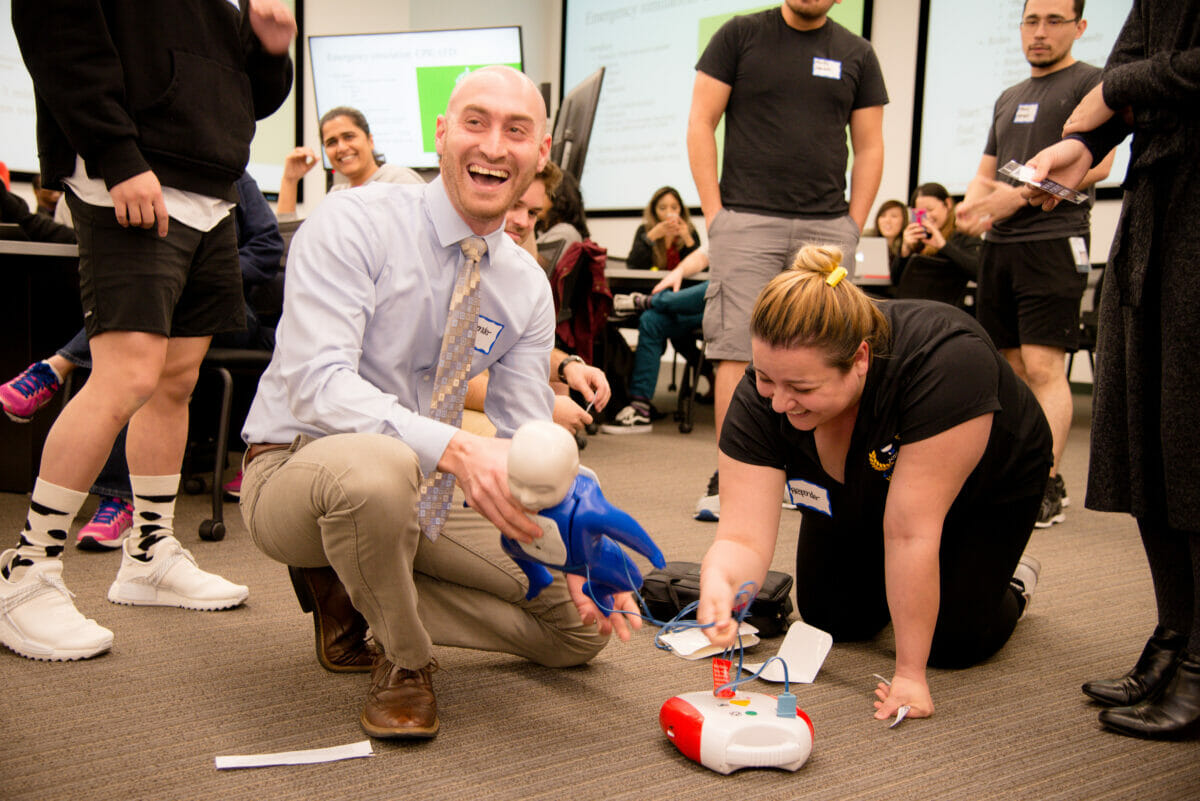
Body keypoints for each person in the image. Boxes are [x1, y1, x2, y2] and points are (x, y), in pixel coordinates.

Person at [238, 66, 642, 741]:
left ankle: (356, 585)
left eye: (516, 131)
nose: (492, 145)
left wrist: (577, 536)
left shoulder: (523, 287)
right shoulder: (352, 221)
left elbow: (525, 445)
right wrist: (456, 448)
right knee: (378, 470)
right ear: (442, 132)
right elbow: (316, 384)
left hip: (420, 492)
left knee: (579, 632)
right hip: (294, 469)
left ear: (541, 154)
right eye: (475, 122)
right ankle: (406, 657)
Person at [0, 0, 294, 662]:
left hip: (212, 188)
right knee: (124, 376)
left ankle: (149, 552)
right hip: (131, 175)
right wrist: (114, 151)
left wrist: (272, 51)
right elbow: (54, 23)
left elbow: (247, 94)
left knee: (174, 382)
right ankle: (27, 572)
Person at [696, 245, 1051, 724]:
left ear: (860, 359)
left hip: (987, 483)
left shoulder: (946, 362)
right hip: (867, 483)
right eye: (765, 379)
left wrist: (909, 675)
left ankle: (1010, 579)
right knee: (831, 618)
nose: (779, 403)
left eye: (801, 389)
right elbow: (741, 535)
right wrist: (719, 580)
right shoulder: (769, 389)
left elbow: (910, 533)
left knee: (953, 641)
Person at [1023, 0, 1200, 740]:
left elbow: (1129, 75)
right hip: (1155, 195)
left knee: (1192, 438)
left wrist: (1120, 85)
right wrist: (1083, 141)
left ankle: (1199, 665)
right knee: (1150, 437)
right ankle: (1174, 639)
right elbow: (1123, 90)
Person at [0, 172, 284, 547]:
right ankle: (114, 510)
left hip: (230, 307)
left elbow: (267, 246)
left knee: (157, 309)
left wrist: (198, 277)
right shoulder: (138, 178)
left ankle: (58, 367)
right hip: (159, 303)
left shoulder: (232, 174)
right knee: (142, 340)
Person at [687, 0, 887, 521]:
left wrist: (852, 223)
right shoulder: (739, 35)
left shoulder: (857, 53)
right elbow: (701, 121)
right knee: (736, 352)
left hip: (827, 226)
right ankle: (735, 471)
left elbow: (869, 147)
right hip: (745, 220)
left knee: (831, 350)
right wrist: (716, 217)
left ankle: (817, 474)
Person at [955, 0, 1114, 529]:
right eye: (1031, 21)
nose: (1040, 32)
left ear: (1080, 27)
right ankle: (1017, 470)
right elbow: (984, 174)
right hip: (1000, 247)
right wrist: (971, 206)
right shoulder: (1008, 96)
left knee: (1044, 368)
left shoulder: (1094, 83)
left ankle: (1046, 481)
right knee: (1009, 369)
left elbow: (1102, 164)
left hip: (1054, 238)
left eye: (1054, 21)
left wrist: (1018, 198)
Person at [464, 160, 610, 439]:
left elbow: (516, 349)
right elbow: (444, 381)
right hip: (418, 408)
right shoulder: (453, 263)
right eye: (514, 206)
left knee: (546, 446)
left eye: (533, 212)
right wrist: (544, 407)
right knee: (528, 447)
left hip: (471, 400)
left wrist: (569, 367)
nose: (523, 222)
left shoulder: (518, 269)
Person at [603, 247, 710, 433]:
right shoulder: (725, 227)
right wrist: (680, 271)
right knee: (651, 320)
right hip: (704, 306)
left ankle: (646, 301)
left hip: (735, 307)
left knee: (714, 286)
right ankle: (640, 408)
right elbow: (705, 255)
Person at [275, 105, 423, 218]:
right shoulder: (336, 196)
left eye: (349, 136)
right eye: (331, 142)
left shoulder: (400, 181)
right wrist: (290, 180)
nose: (342, 147)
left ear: (370, 140)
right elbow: (290, 245)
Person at [892, 183, 981, 311]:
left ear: (947, 204)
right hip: (912, 309)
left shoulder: (963, 235)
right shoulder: (918, 237)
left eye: (930, 209)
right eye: (921, 212)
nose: (927, 216)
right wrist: (905, 250)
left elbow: (978, 271)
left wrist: (943, 246)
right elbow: (896, 281)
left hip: (949, 311)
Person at [625, 186, 700, 271]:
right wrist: (650, 237)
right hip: (652, 283)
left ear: (681, 209)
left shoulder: (690, 231)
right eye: (662, 208)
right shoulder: (644, 230)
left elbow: (702, 269)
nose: (669, 213)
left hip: (685, 283)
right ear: (654, 211)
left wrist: (687, 238)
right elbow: (632, 265)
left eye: (674, 207)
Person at [537, 169, 589, 253]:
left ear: (557, 199)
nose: (535, 200)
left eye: (542, 194)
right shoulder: (545, 230)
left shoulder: (565, 233)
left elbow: (531, 264)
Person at [864, 198, 908, 263]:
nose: (887, 220)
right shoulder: (865, 239)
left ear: (904, 220)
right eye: (883, 216)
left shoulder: (908, 246)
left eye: (894, 216)